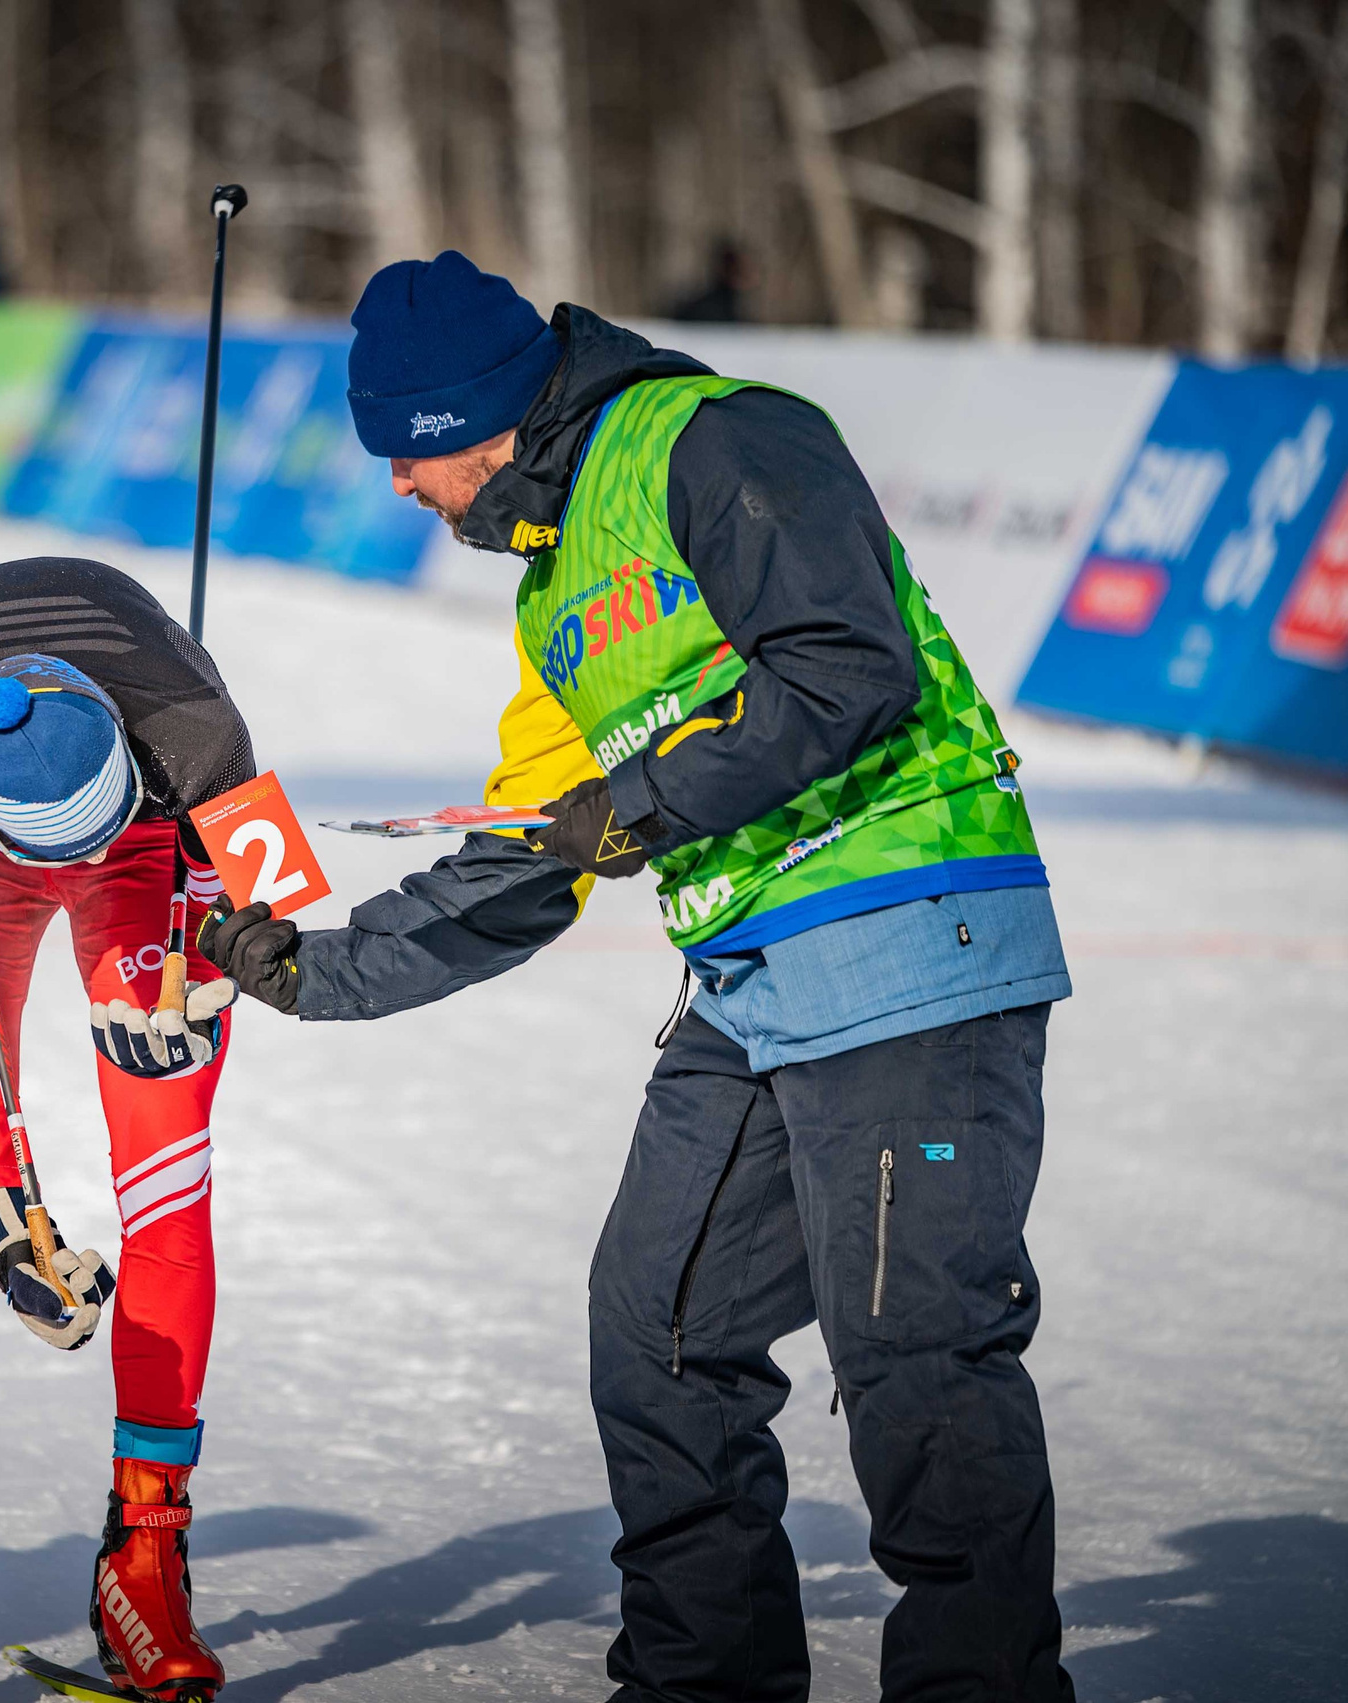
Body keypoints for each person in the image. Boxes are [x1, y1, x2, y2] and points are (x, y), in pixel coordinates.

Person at [197, 253, 1077, 1702]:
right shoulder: (552, 592)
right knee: (660, 1328)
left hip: (913, 935)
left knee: (918, 1358)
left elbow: (850, 669)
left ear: (474, 417)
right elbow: (535, 851)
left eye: (407, 459)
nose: (400, 492)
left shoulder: (722, 437)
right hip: (755, 977)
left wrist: (648, 799)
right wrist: (309, 966)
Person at [0, 558, 248, 1701]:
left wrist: (217, 951)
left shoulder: (197, 731)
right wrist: (8, 1220)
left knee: (169, 1173)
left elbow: (261, 893)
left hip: (151, 853)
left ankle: (151, 1547)